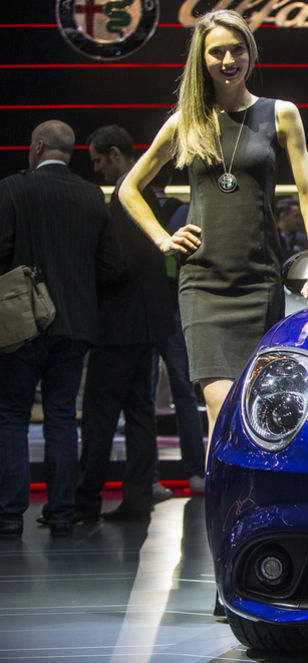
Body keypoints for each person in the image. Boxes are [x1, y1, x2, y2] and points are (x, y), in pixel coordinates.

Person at [117, 9, 308, 464]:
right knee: (221, 404)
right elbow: (129, 188)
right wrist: (162, 239)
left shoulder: (280, 113)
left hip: (259, 281)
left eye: (237, 50)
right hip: (204, 283)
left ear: (251, 52)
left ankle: (249, 497)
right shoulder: (185, 122)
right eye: (217, 52)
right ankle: (219, 505)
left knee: (256, 409)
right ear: (202, 59)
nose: (228, 60)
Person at [0, 120, 122, 538]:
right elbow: (112, 266)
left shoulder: (12, 189)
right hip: (77, 325)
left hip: (23, 324)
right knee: (62, 416)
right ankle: (62, 513)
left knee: (12, 415)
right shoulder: (91, 196)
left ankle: (9, 513)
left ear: (37, 147)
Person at [75, 124, 176, 525]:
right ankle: (136, 499)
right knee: (139, 414)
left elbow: (118, 265)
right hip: (148, 323)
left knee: (100, 414)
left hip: (119, 325)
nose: (97, 168)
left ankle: (85, 503)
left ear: (116, 154)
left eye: (99, 160)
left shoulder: (125, 196)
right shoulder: (146, 194)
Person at [149, 166, 206, 497]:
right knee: (185, 394)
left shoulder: (135, 211)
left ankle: (150, 477)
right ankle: (196, 473)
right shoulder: (184, 212)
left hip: (143, 310)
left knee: (144, 397)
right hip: (176, 308)